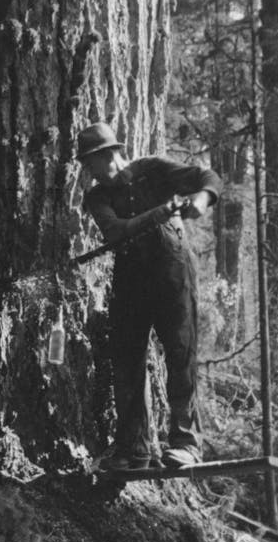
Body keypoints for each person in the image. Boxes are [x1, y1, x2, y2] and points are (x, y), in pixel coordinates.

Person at [77, 122, 223, 471]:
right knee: (127, 359)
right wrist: (157, 213)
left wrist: (202, 200)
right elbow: (115, 231)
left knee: (180, 353)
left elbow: (210, 178)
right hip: (130, 279)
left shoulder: (154, 170)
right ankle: (134, 449)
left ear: (108, 155)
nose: (88, 170)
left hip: (174, 272)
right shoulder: (97, 197)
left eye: (89, 162)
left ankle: (185, 445)